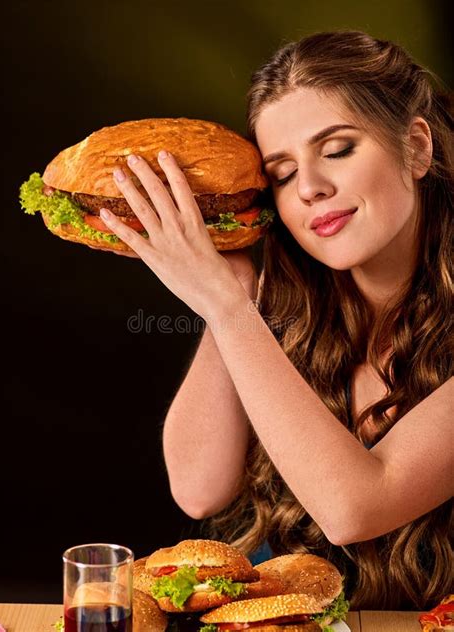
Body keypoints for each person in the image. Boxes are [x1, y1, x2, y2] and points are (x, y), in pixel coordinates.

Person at [98, 31, 453, 611]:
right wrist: (232, 294)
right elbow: (198, 490)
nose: (311, 188)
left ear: (416, 147)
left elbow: (352, 509)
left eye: (337, 149)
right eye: (283, 173)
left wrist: (231, 312)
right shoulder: (275, 307)